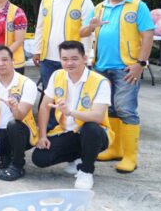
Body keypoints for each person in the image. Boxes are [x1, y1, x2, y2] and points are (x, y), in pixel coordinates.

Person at [80, 0, 155, 174]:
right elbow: (83, 31)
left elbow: (148, 35)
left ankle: (130, 155)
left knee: (126, 109)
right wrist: (90, 26)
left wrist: (141, 63)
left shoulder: (138, 6)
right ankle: (115, 148)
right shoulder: (99, 7)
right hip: (102, 67)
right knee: (110, 109)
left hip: (127, 67)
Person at [32, 41, 113, 190]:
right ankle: (76, 157)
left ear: (84, 58)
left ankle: (86, 170)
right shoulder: (57, 75)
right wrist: (42, 135)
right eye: (65, 59)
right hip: (67, 131)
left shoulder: (100, 82)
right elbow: (44, 106)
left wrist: (70, 112)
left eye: (74, 58)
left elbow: (98, 117)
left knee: (90, 128)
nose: (69, 63)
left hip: (95, 133)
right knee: (39, 158)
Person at [0, 46, 39, 181]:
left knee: (13, 125)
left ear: (13, 61)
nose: (1, 64)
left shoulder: (27, 84)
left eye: (5, 60)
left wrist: (14, 108)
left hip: (22, 132)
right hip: (0, 131)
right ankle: (6, 156)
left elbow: (19, 117)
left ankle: (18, 165)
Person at [33, 0, 95, 90]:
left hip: (72, 59)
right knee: (49, 96)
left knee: (72, 95)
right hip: (48, 58)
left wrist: (86, 58)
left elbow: (88, 32)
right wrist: (37, 51)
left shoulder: (84, 1)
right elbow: (40, 27)